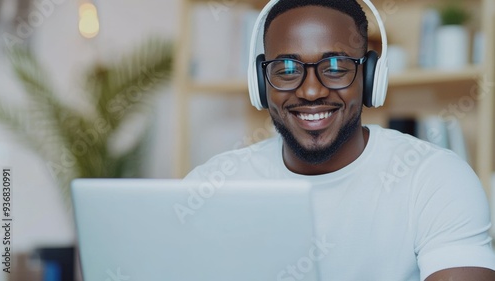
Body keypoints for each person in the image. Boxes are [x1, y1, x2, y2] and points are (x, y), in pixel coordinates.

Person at [185, 0, 495, 280]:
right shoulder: (212, 186)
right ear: (260, 84)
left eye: (335, 67)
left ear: (371, 77)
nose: (310, 91)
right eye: (287, 69)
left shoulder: (436, 180)